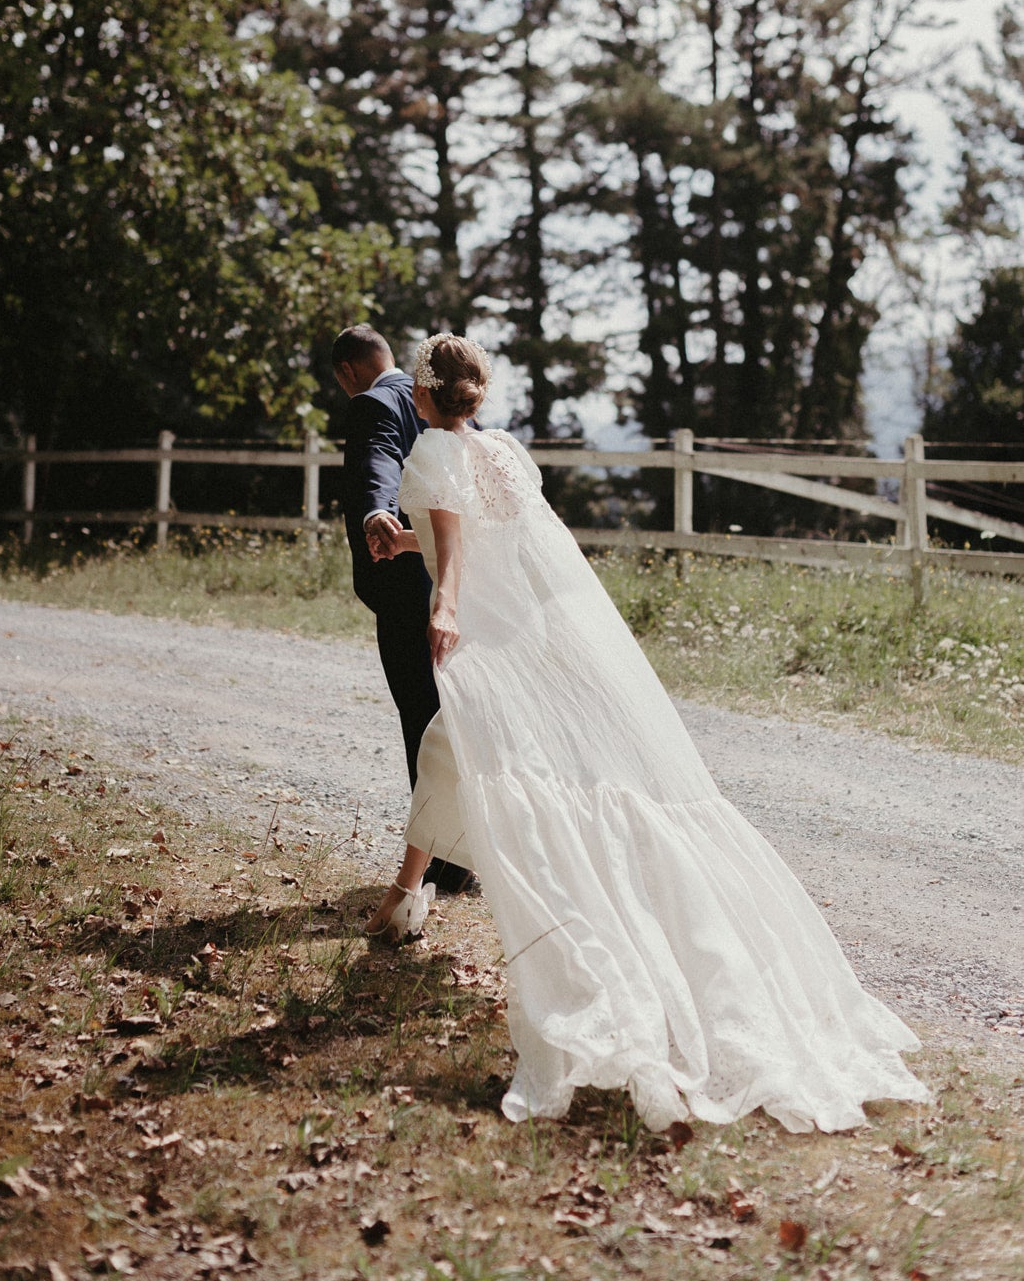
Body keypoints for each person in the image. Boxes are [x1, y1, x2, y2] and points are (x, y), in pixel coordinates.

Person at [364, 332, 930, 1135]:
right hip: (534, 629)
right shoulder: (503, 452)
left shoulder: (426, 451)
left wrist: (445, 606)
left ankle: (452, 912)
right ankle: (401, 898)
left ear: (421, 392)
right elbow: (493, 535)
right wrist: (407, 538)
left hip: (489, 636)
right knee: (450, 749)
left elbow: (458, 546)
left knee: (470, 755)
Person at [331, 325, 472, 894]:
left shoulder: (372, 404)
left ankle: (443, 862)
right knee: (455, 716)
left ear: (347, 373)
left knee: (422, 716)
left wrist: (374, 515)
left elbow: (376, 466)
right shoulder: (452, 410)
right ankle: (461, 851)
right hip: (459, 588)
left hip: (408, 588)